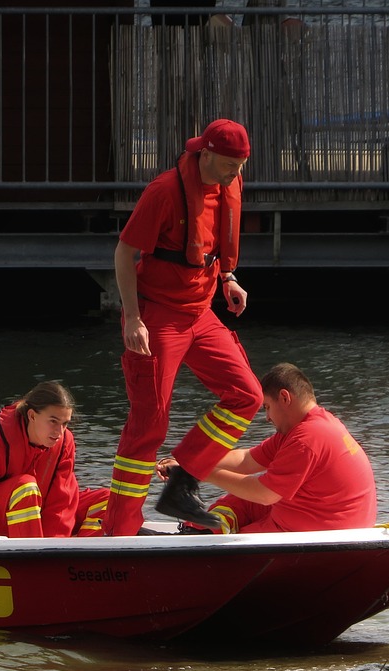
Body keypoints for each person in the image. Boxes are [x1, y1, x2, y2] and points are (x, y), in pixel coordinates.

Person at [106, 118, 264, 536]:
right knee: (149, 424)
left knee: (247, 394)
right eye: (230, 165)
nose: (236, 174)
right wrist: (133, 318)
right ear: (205, 154)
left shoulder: (230, 184)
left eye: (241, 166)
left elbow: (214, 248)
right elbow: (124, 254)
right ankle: (118, 531)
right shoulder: (164, 191)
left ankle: (183, 481)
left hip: (200, 312)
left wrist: (228, 278)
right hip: (156, 315)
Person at [171, 362, 376, 534]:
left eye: (267, 407)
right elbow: (248, 459)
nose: (267, 417)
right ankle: (200, 532)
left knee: (244, 519)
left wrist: (201, 473)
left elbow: (265, 494)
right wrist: (192, 462)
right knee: (238, 500)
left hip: (326, 530)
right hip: (322, 516)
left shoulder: (307, 438)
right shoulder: (307, 426)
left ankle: (199, 541)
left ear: (285, 398)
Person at [0, 381, 108, 538]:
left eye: (65, 423)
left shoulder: (65, 442)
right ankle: (33, 557)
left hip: (38, 511)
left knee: (110, 500)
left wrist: (56, 547)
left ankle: (78, 558)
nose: (59, 432)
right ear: (32, 416)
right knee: (26, 487)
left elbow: (62, 500)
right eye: (53, 421)